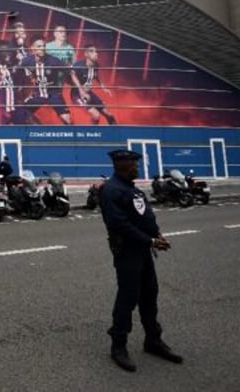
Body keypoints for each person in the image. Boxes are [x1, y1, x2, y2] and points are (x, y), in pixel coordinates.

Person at [100, 149, 183, 372]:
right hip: (127, 252)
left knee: (149, 295)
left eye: (137, 164)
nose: (137, 168)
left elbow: (145, 215)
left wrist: (156, 235)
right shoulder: (111, 191)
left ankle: (153, 341)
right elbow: (120, 225)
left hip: (144, 250)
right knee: (127, 299)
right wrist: (151, 241)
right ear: (121, 165)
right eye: (133, 165)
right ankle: (118, 346)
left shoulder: (132, 189)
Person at [70, 45, 116, 125]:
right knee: (96, 115)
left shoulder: (96, 66)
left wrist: (104, 88)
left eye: (96, 51)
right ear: (86, 54)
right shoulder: (79, 65)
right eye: (92, 51)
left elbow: (97, 76)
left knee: (108, 114)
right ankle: (90, 134)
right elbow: (72, 74)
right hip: (77, 94)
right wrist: (81, 91)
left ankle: (116, 133)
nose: (96, 53)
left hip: (89, 93)